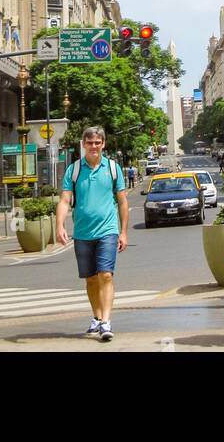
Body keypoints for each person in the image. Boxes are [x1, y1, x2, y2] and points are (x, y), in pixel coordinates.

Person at [55, 127, 128, 342]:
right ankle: (96, 316)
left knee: (106, 274)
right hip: (82, 232)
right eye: (90, 143)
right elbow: (64, 200)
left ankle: (106, 321)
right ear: (83, 144)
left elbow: (122, 201)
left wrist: (123, 232)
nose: (94, 146)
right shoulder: (74, 170)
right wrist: (60, 225)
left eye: (98, 142)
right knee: (90, 279)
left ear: (103, 144)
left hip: (108, 230)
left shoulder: (113, 168)